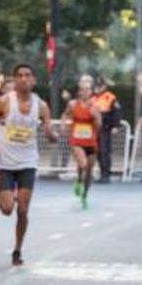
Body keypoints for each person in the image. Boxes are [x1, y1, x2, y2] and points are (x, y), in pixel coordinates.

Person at [0, 62, 57, 266]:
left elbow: (49, 130)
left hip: (28, 162)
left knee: (23, 210)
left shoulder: (41, 106)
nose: (24, 78)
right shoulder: (2, 102)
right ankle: (8, 196)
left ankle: (17, 250)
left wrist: (51, 135)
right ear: (14, 79)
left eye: (28, 75)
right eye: (20, 75)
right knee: (7, 209)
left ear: (34, 80)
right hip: (5, 163)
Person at [63, 75, 101, 209]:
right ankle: (79, 180)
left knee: (89, 171)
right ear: (79, 91)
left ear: (91, 92)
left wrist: (95, 118)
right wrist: (63, 126)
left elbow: (99, 127)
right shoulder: (73, 104)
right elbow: (65, 115)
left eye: (88, 89)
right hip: (76, 141)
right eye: (83, 89)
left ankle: (84, 195)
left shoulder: (95, 107)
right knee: (83, 164)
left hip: (91, 142)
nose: (85, 92)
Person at [92, 77, 121, 183]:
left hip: (105, 128)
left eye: (99, 86)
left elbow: (117, 112)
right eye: (96, 86)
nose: (97, 88)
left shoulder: (110, 97)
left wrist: (116, 126)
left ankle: (106, 174)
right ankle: (101, 173)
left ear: (104, 86)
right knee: (98, 152)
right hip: (95, 129)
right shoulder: (93, 98)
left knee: (105, 151)